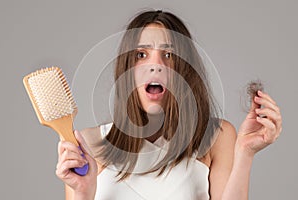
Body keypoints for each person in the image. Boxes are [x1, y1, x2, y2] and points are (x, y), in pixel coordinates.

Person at [56, 10, 282, 200]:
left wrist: (245, 154)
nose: (155, 65)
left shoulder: (215, 137)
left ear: (184, 70)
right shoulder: (89, 144)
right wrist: (83, 193)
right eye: (141, 54)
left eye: (169, 54)